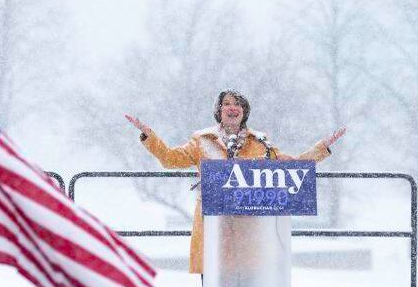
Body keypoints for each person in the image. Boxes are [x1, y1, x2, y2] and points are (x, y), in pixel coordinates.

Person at [125, 89, 346, 275]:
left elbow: (291, 168)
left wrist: (321, 148)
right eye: (227, 104)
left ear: (244, 112)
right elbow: (170, 159)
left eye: (238, 104)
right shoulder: (202, 141)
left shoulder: (261, 143)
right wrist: (149, 135)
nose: (232, 108)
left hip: (249, 234)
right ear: (219, 111)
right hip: (212, 228)